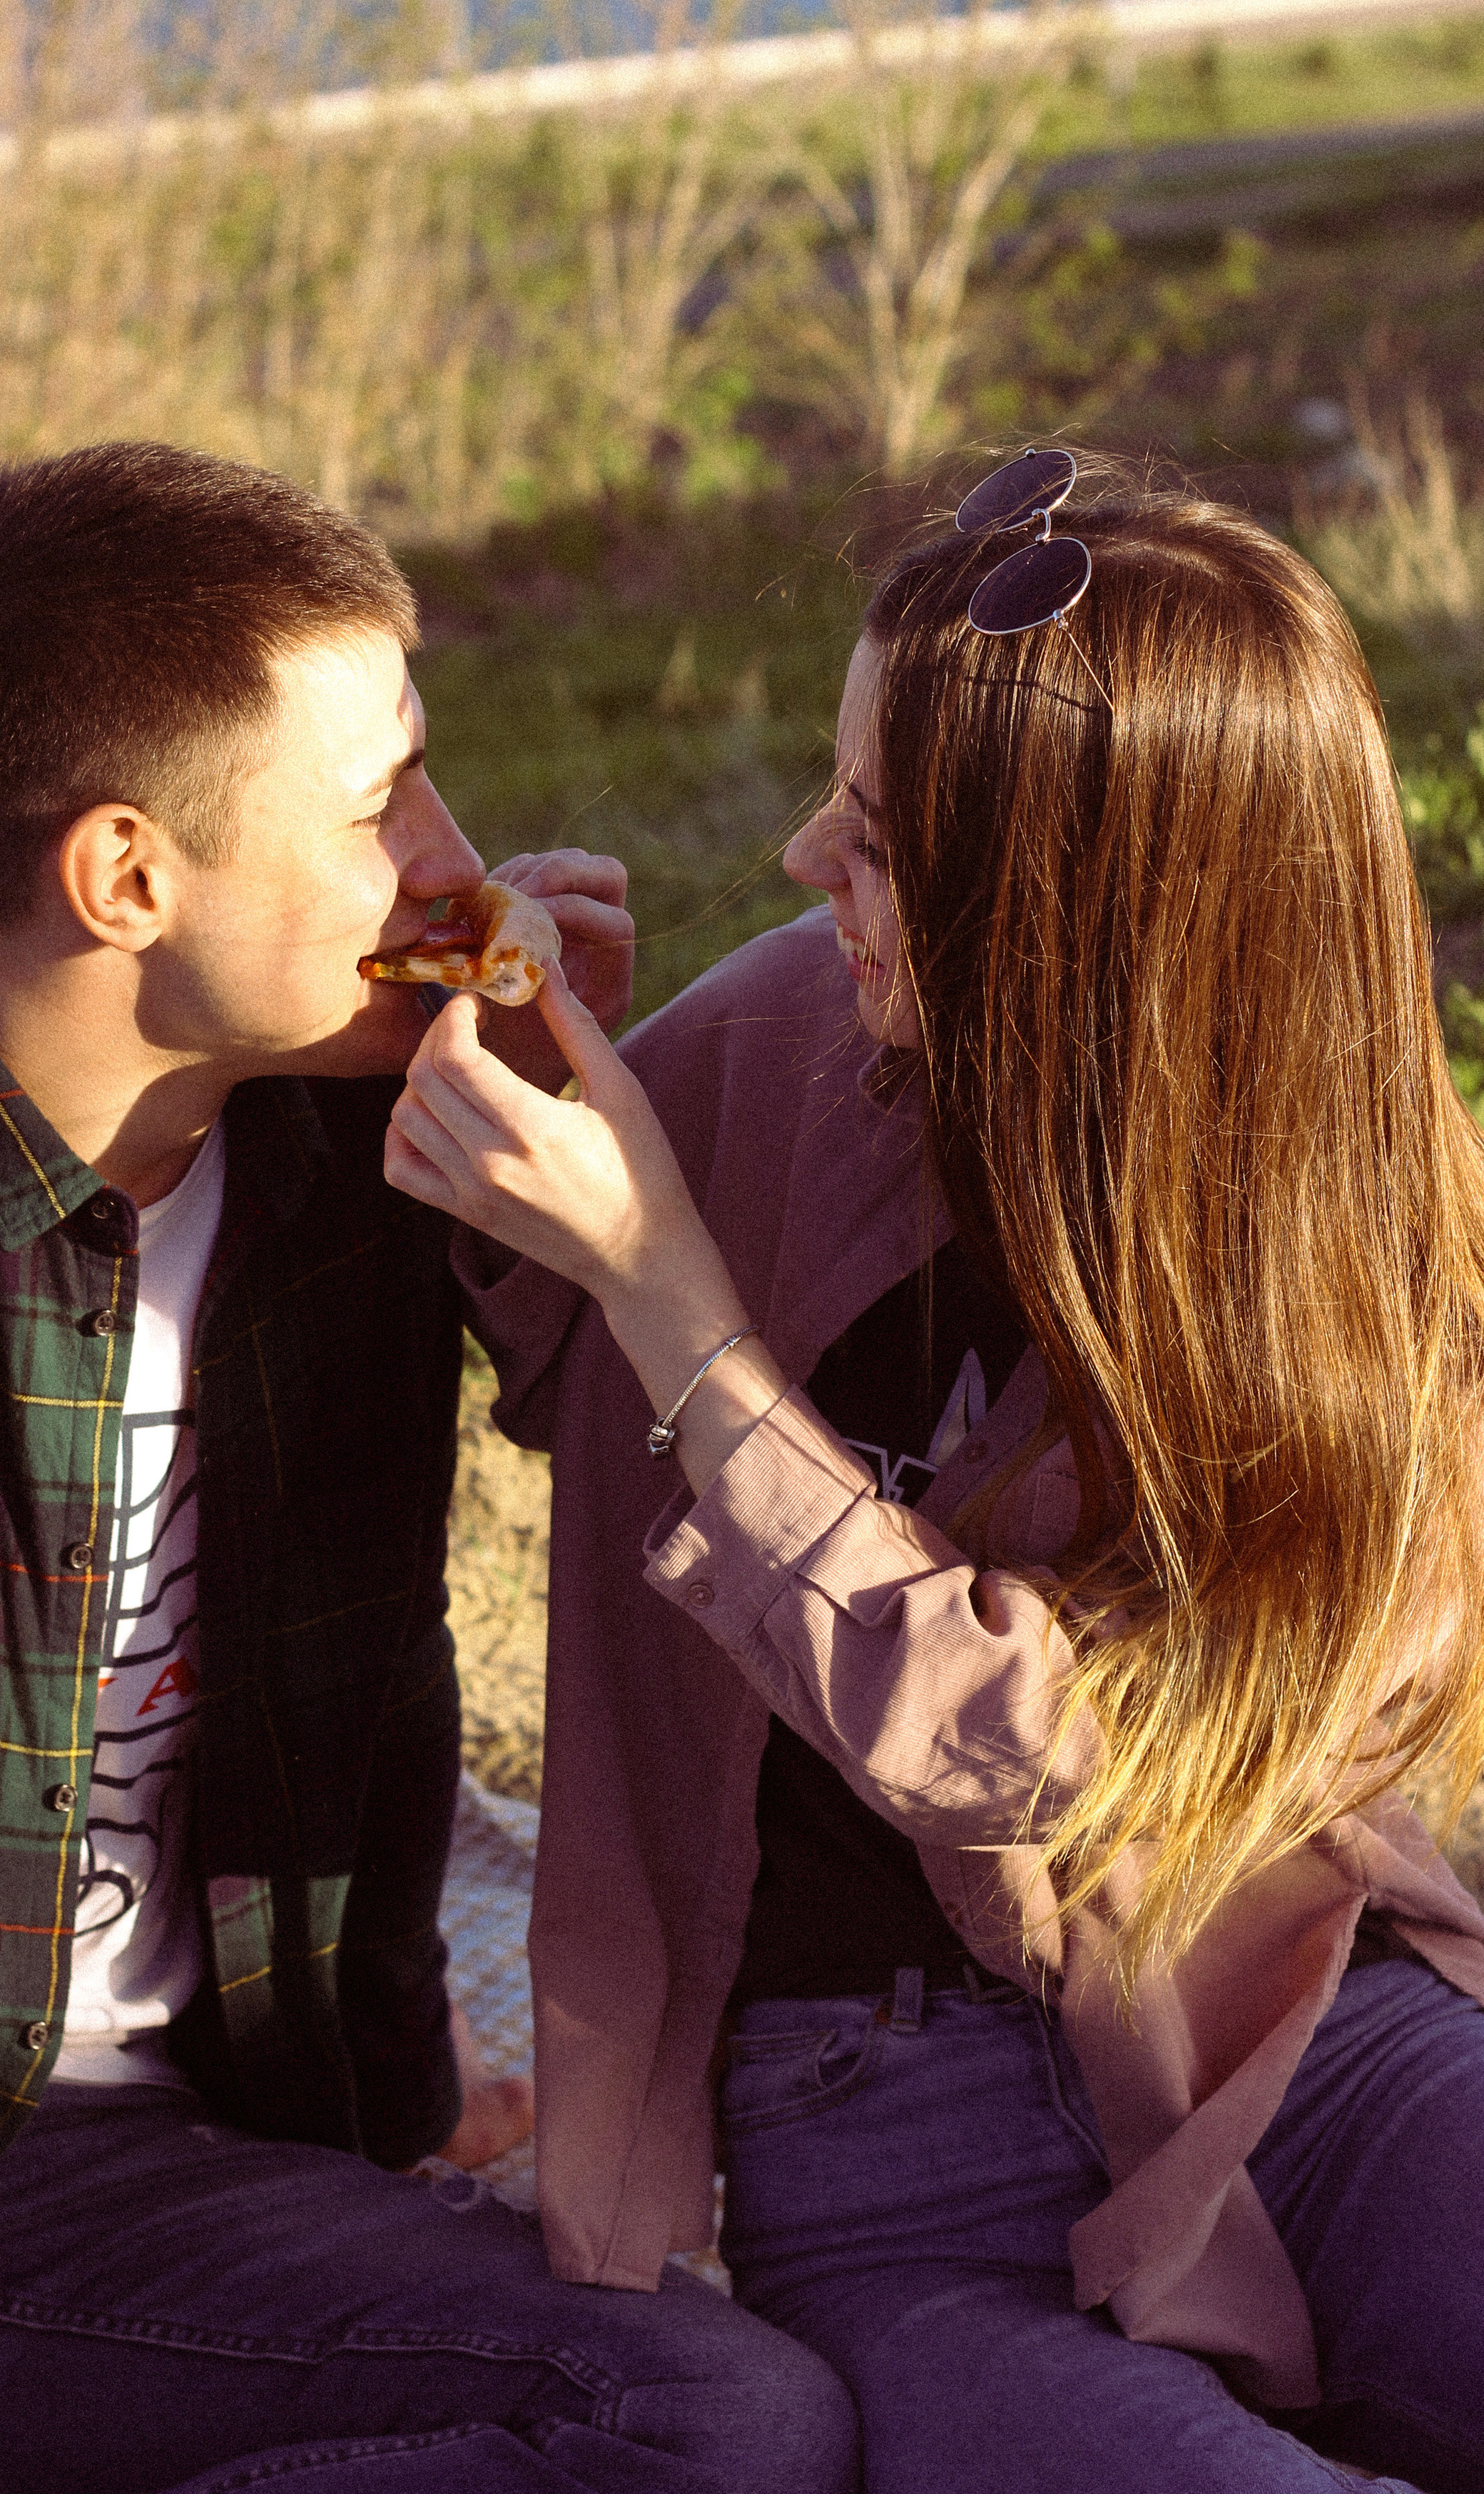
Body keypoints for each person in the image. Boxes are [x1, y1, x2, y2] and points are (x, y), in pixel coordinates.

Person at [0, 442, 860, 2494]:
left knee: (730, 2418)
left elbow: (708, 1501)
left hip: (192, 2167)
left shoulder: (357, 1136)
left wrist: (589, 1165)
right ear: (129, 879)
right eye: (380, 804)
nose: (456, 856)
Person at [388, 457, 1484, 2494]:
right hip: (876, 2150)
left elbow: (1039, 1753)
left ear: (1084, 929)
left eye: (882, 846)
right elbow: (553, 1369)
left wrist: (666, 1283)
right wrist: (539, 1089)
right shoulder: (795, 1040)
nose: (805, 857)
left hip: (1287, 2024)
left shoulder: (1367, 1220)